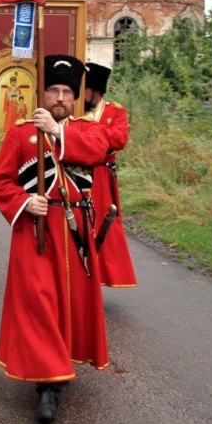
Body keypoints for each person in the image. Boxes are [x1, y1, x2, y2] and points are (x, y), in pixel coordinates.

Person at [0, 54, 110, 424]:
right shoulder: (20, 133)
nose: (59, 98)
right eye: (53, 91)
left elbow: (98, 151)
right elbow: (2, 183)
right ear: (41, 94)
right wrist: (26, 200)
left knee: (70, 303)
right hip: (36, 231)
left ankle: (61, 361)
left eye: (66, 92)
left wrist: (58, 133)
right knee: (39, 303)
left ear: (75, 98)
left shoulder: (87, 129)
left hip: (74, 231)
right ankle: (47, 385)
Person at [83, 63, 137, 288]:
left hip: (102, 177)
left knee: (104, 224)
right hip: (76, 173)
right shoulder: (75, 110)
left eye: (83, 89)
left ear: (94, 91)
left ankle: (102, 275)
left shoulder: (116, 111)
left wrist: (91, 129)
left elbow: (119, 140)